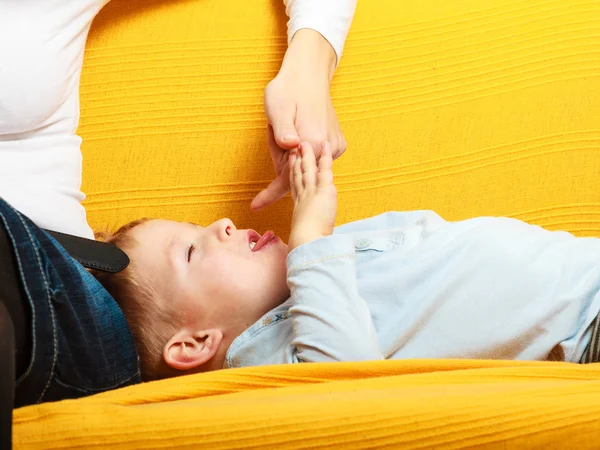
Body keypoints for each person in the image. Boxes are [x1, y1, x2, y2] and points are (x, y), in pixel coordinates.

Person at [0, 0, 357, 415]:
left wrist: (308, 72)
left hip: (60, 307)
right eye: (190, 246)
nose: (224, 223)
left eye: (192, 246)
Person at [92, 141, 600, 382]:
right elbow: (348, 385)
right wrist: (310, 233)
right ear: (196, 343)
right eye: (192, 249)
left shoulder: (302, 283)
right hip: (585, 330)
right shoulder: (267, 362)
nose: (220, 225)